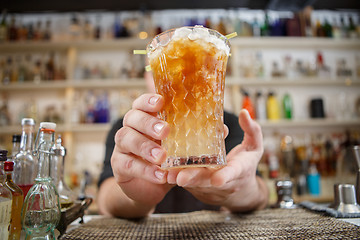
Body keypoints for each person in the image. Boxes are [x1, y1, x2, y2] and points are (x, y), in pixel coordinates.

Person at [97, 72, 269, 218]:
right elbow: (104, 200)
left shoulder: (229, 123)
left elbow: (261, 195)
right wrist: (135, 198)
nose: (179, 80)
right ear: (147, 76)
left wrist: (242, 189)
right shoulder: (128, 128)